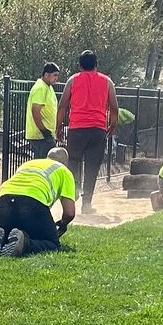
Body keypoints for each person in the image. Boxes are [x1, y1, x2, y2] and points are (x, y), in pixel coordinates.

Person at [57, 49, 118, 215]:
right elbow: (114, 106)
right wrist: (112, 124)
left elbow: (62, 105)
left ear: (80, 66)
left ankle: (71, 195)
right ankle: (86, 204)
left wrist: (58, 127)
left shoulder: (72, 81)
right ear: (96, 65)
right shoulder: (107, 82)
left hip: (77, 128)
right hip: (98, 129)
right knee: (92, 166)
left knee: (73, 163)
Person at [0, 145, 77, 256]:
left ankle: (0, 241)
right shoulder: (64, 170)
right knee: (53, 244)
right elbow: (69, 213)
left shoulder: (28, 164)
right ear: (66, 163)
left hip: (3, 202)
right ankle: (25, 244)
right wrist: (62, 225)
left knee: (13, 233)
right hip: (31, 204)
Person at [24, 63, 61, 157]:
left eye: (57, 75)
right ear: (46, 75)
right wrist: (44, 131)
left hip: (45, 135)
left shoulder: (48, 87)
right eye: (54, 75)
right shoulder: (40, 88)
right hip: (41, 136)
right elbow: (35, 111)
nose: (56, 78)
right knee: (45, 165)